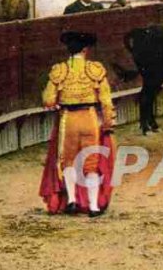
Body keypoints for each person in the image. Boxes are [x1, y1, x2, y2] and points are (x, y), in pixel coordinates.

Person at [40, 31, 115, 217]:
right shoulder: (95, 69)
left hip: (68, 119)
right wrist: (107, 124)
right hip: (90, 118)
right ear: (85, 49)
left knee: (69, 162)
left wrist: (57, 103)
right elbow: (106, 100)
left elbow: (48, 99)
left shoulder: (60, 70)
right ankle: (93, 207)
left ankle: (72, 201)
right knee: (91, 162)